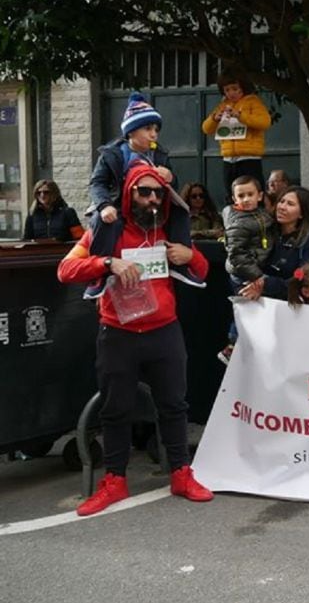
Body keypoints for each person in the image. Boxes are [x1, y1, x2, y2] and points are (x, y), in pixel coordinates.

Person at [57, 165, 213, 516]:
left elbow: (202, 270)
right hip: (118, 333)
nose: (152, 198)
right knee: (115, 410)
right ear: (128, 195)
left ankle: (181, 473)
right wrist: (107, 262)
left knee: (174, 406)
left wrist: (191, 256)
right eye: (144, 192)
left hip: (164, 331)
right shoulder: (104, 230)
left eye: (158, 192)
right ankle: (115, 480)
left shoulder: (171, 229)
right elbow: (65, 269)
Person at [86, 92, 198, 297]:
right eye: (148, 129)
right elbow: (97, 183)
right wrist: (104, 205)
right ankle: (99, 273)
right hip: (118, 206)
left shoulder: (160, 154)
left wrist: (170, 177)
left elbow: (173, 186)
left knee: (180, 212)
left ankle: (180, 265)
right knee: (102, 221)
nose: (154, 134)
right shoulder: (113, 154)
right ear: (131, 132)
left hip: (151, 205)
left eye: (156, 129)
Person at [219, 175, 276, 363]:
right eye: (241, 196)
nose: (246, 199)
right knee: (245, 309)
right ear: (234, 199)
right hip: (243, 273)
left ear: (260, 195)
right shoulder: (238, 222)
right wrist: (256, 276)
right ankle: (232, 346)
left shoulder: (261, 214)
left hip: (255, 268)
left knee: (252, 310)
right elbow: (236, 255)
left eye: (250, 194)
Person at [238, 186, 309, 302]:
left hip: (288, 303)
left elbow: (303, 275)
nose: (282, 207)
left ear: (302, 214)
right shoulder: (265, 232)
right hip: (254, 299)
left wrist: (268, 284)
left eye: (290, 204)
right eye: (281, 201)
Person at [201, 69, 272, 195]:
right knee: (231, 193)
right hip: (228, 158)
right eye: (227, 90)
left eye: (235, 88)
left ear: (243, 87)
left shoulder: (253, 101)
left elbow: (264, 122)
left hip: (249, 157)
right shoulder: (223, 105)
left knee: (252, 192)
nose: (231, 93)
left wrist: (240, 116)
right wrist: (214, 118)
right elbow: (206, 129)